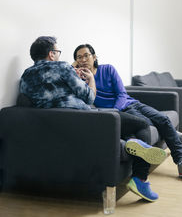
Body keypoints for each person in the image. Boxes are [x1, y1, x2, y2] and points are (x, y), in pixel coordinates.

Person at [19, 36, 167, 202]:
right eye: (58, 52)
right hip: (88, 120)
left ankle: (129, 143)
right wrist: (90, 79)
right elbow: (89, 97)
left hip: (56, 126)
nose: (59, 56)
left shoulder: (25, 76)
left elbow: (44, 96)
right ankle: (140, 179)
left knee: (126, 125)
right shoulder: (62, 67)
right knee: (141, 125)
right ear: (51, 54)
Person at [73, 44, 182, 195]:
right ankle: (170, 135)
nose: (83, 59)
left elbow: (121, 93)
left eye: (86, 55)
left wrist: (118, 109)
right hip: (119, 113)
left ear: (94, 57)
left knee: (164, 119)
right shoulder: (80, 79)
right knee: (144, 125)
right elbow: (80, 94)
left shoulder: (108, 69)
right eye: (79, 57)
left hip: (129, 103)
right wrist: (73, 68)